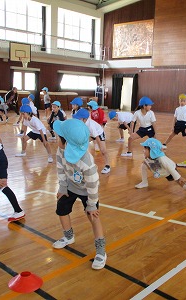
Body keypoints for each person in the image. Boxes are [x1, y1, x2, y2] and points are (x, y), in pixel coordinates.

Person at [52, 118, 107, 270]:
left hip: (88, 191)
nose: (56, 138)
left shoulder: (87, 163)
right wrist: (62, 187)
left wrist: (91, 205)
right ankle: (68, 237)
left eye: (58, 136)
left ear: (66, 142)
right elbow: (60, 168)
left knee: (93, 217)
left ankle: (101, 251)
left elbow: (93, 185)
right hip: (70, 186)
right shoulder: (61, 150)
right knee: (61, 208)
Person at [135, 138, 186, 203]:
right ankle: (144, 182)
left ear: (152, 150)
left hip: (169, 171)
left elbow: (171, 169)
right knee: (144, 164)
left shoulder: (162, 159)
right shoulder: (149, 157)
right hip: (161, 170)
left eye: (145, 148)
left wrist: (179, 177)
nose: (143, 150)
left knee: (181, 182)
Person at [73, 108, 111, 174]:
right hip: (91, 134)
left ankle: (107, 166)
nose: (77, 120)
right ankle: (80, 164)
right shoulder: (83, 122)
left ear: (84, 119)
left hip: (99, 134)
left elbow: (96, 137)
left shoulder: (91, 125)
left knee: (103, 151)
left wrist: (99, 146)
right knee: (80, 145)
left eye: (79, 118)